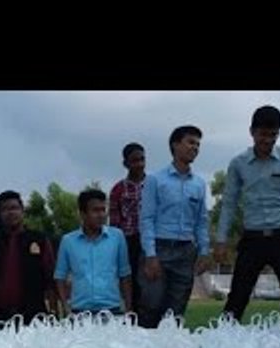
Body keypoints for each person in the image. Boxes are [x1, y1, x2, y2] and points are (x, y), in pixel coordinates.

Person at [216, 105, 280, 330]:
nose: (267, 141)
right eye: (263, 135)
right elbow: (229, 202)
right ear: (252, 132)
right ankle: (220, 341)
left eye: (273, 135)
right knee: (238, 296)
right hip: (252, 238)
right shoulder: (238, 163)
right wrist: (221, 239)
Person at [139, 127, 209, 327]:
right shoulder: (155, 179)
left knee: (176, 310)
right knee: (151, 306)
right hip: (159, 249)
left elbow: (201, 221)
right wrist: (150, 255)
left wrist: (204, 251)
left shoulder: (199, 184)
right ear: (175, 145)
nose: (195, 147)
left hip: (186, 252)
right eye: (190, 142)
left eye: (197, 144)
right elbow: (147, 219)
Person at [0, 190, 57, 322]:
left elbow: (50, 277)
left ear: (22, 211)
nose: (10, 213)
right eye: (5, 209)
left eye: (14, 208)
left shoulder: (39, 240)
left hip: (33, 314)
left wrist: (53, 312)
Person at [54, 189, 132, 316]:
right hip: (80, 311)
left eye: (103, 210)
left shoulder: (117, 237)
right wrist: (66, 308)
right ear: (83, 214)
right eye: (95, 210)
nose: (101, 215)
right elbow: (60, 276)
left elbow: (125, 274)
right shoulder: (68, 241)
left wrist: (128, 309)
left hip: (112, 310)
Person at [109, 142, 146, 317]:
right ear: (125, 163)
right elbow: (114, 221)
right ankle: (132, 314)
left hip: (149, 240)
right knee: (130, 281)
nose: (139, 164)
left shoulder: (153, 184)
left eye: (142, 159)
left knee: (150, 283)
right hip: (128, 240)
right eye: (134, 160)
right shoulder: (118, 189)